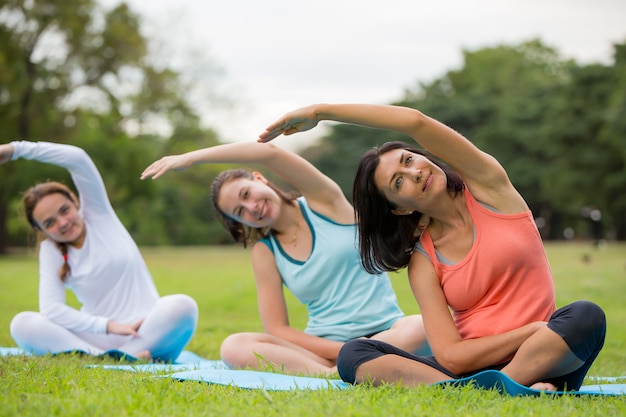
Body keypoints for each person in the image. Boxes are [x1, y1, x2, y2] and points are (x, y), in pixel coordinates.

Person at [258, 103, 606, 391]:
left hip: (542, 351)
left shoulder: (491, 190)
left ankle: (493, 390)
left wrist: (321, 112)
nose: (414, 174)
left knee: (585, 317)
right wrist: (530, 329)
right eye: (398, 182)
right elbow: (452, 357)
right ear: (400, 207)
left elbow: (416, 122)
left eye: (408, 161)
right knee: (354, 354)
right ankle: (510, 390)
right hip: (473, 364)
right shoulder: (423, 259)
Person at [141, 141, 429, 375]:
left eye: (247, 194)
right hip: (322, 349)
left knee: (421, 326)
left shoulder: (324, 202)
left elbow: (270, 152)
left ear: (259, 179)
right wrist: (339, 351)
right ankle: (332, 373)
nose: (252, 207)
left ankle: (355, 364)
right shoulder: (265, 251)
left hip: (387, 334)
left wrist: (192, 157)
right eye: (240, 212)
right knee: (234, 346)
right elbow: (277, 329)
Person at [1, 141, 198, 362]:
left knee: (183, 306)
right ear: (40, 229)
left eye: (64, 210)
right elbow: (51, 309)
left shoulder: (99, 214)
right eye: (50, 222)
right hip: (97, 337)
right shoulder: (50, 251)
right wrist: (107, 326)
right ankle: (105, 357)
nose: (63, 223)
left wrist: (15, 150)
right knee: (22, 323)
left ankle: (122, 355)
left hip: (146, 330)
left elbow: (77, 158)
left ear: (75, 201)